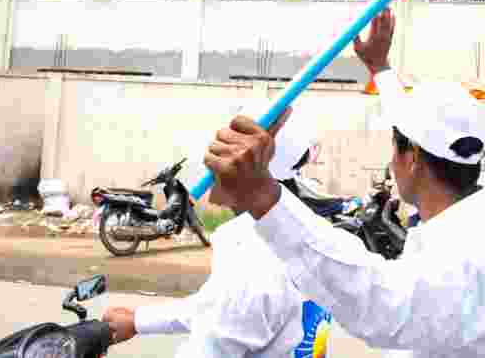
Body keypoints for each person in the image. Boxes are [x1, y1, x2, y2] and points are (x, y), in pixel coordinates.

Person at [204, 7, 485, 357]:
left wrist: (264, 197)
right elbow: (414, 127)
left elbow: (370, 296)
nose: (391, 160)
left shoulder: (458, 255)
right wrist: (380, 68)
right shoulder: (482, 222)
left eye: (394, 145)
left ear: (413, 158)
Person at [103, 105, 336, 356]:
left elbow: (216, 338)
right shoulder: (304, 230)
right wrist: (138, 321)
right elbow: (220, 309)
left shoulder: (254, 255)